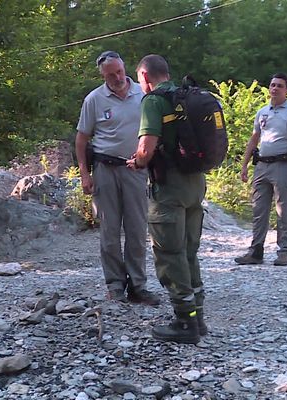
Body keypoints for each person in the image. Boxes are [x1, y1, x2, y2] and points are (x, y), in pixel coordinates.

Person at [127, 54, 207, 344]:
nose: (140, 85)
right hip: (195, 184)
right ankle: (198, 316)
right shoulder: (186, 95)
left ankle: (185, 324)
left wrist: (136, 162)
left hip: (169, 188)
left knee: (170, 254)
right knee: (188, 251)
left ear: (146, 76)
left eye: (139, 80)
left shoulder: (154, 100)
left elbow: (146, 149)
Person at [75, 50, 159, 305]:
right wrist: (84, 174)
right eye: (110, 75)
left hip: (135, 170)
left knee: (136, 229)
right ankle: (115, 285)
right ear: (102, 75)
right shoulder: (95, 99)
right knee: (109, 231)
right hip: (105, 170)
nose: (116, 78)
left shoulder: (143, 95)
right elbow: (81, 139)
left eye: (119, 71)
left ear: (125, 68)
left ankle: (138, 286)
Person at [234, 72, 287, 266]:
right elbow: (254, 139)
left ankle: (284, 251)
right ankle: (255, 251)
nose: (275, 88)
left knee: (284, 209)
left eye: (280, 86)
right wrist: (244, 165)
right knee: (259, 209)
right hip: (262, 166)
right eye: (273, 85)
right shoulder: (262, 112)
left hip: (283, 166)